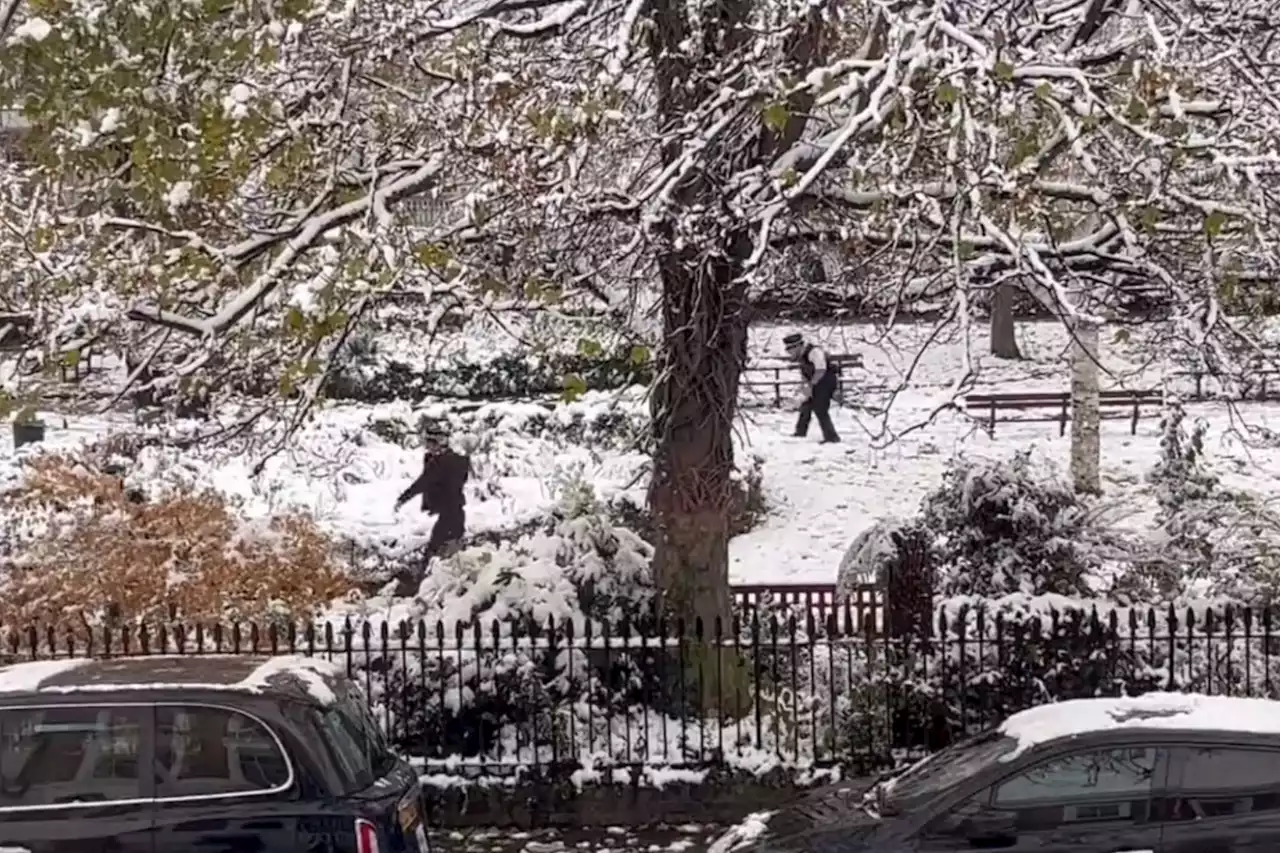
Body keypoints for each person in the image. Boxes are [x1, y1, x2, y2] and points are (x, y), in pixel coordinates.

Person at [391, 423, 471, 595]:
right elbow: (426, 480)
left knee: (440, 549)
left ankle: (427, 586)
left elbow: (425, 481)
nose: (428, 447)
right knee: (441, 548)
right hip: (449, 512)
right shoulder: (437, 460)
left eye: (431, 442)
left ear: (439, 442)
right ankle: (429, 583)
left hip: (453, 512)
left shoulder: (449, 461)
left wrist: (403, 498)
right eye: (427, 442)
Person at [783, 332, 840, 443]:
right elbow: (805, 373)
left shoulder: (814, 352)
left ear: (797, 346)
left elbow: (821, 370)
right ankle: (800, 432)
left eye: (790, 350)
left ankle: (832, 437)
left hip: (826, 381)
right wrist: (805, 387)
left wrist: (811, 385)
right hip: (814, 381)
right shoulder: (801, 356)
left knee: (820, 408)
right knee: (806, 405)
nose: (790, 353)